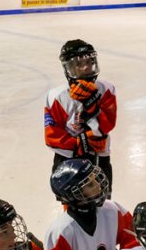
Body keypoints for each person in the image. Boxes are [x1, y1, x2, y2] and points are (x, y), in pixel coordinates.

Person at [43, 159, 137, 250]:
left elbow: (133, 243)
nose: (99, 185)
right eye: (90, 184)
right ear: (74, 194)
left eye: (95, 179)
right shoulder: (60, 232)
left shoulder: (114, 210)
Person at [45, 39, 118, 194]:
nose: (85, 68)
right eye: (78, 64)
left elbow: (108, 124)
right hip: (68, 161)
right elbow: (52, 136)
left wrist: (92, 108)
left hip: (99, 157)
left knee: (103, 201)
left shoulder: (106, 89)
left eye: (89, 62)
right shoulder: (56, 97)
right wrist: (79, 143)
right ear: (68, 68)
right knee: (72, 203)